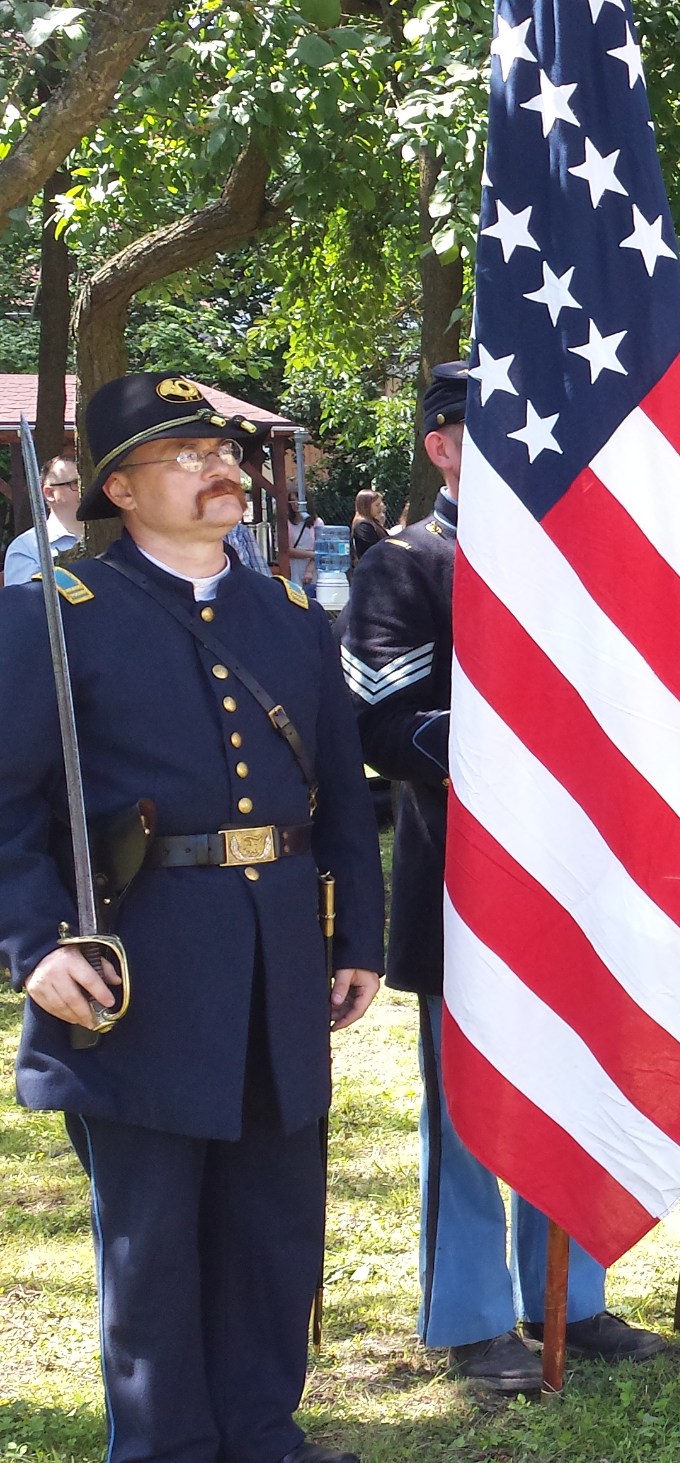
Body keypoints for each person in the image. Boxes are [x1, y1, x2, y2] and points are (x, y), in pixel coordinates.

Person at [1, 372, 386, 1463]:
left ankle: (263, 1430)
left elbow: (344, 799)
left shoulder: (289, 614)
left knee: (273, 1218)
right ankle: (167, 1446)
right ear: (118, 485)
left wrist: (355, 935)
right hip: (141, 959)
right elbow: (6, 804)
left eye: (227, 449)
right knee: (156, 1233)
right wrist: (33, 946)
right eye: (184, 453)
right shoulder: (54, 617)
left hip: (275, 959)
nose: (223, 467)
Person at [341, 361, 665, 1390]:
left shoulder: (579, 555)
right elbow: (382, 726)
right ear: (442, 445)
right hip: (465, 878)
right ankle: (471, 1314)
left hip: (580, 872)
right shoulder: (405, 563)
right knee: (473, 1100)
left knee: (574, 1080)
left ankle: (571, 1295)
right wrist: (521, 729)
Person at [4, 452, 83, 582]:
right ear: (50, 493)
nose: (84, 488)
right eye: (75, 483)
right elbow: (26, 601)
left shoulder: (115, 536)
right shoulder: (26, 548)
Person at [349, 489, 389, 563]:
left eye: (380, 503)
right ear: (366, 507)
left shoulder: (373, 522)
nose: (381, 507)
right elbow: (374, 549)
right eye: (377, 505)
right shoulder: (362, 526)